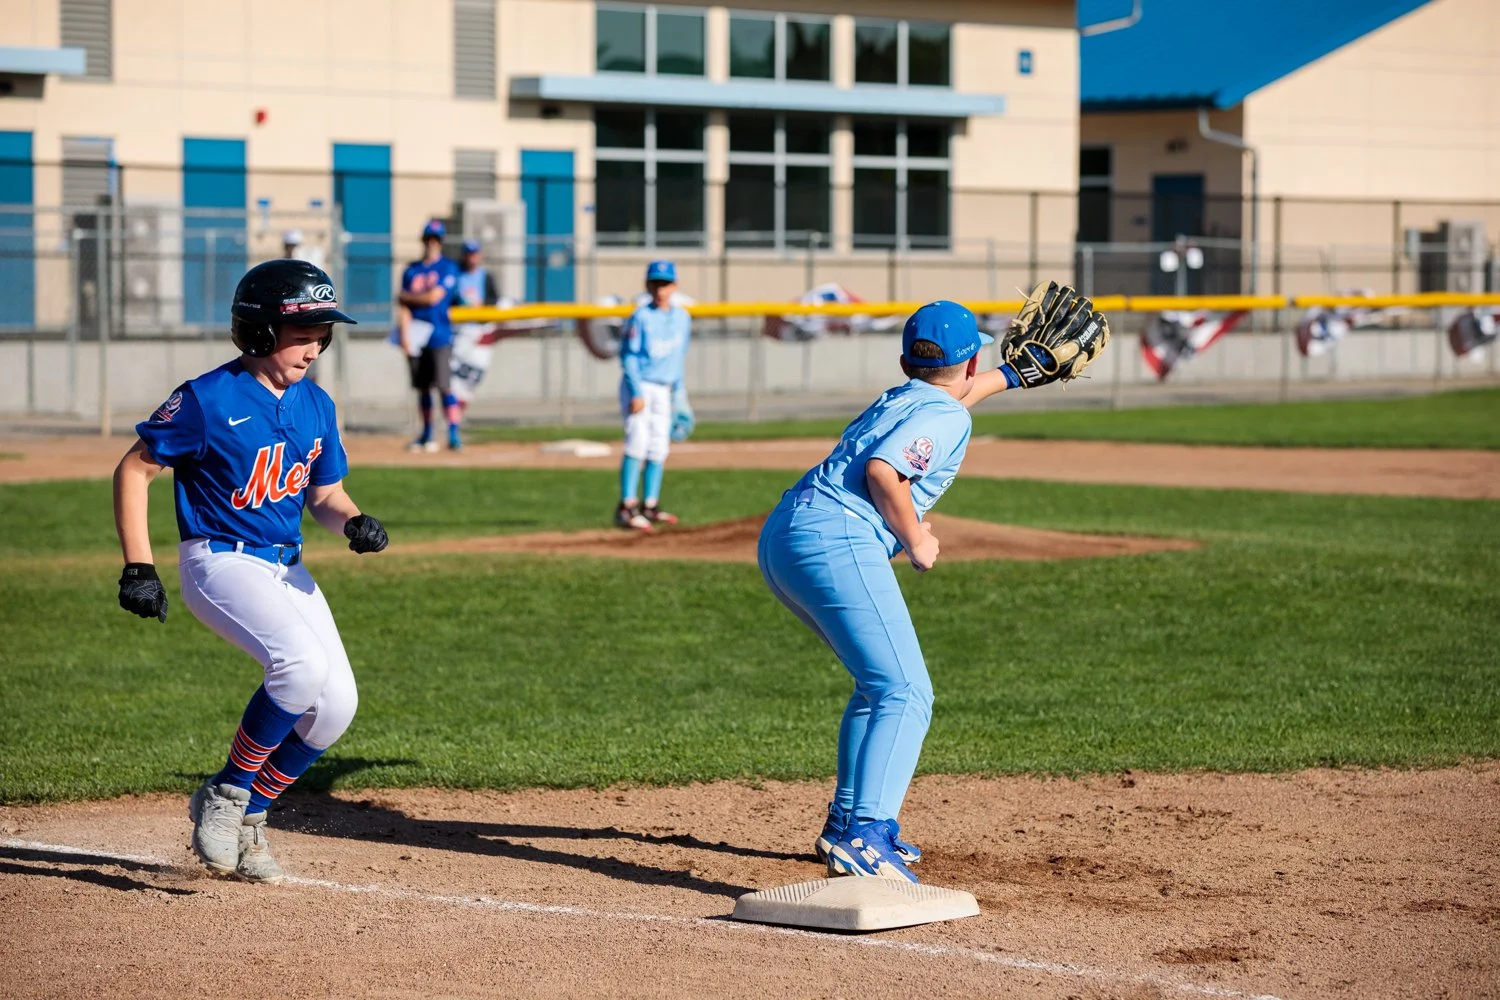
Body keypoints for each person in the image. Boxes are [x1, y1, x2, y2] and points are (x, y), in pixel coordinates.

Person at [757, 296, 1101, 883]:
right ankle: (865, 836)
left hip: (787, 535)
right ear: (972, 361)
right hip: (836, 541)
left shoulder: (902, 398)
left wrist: (1014, 375)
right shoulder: (947, 415)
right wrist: (915, 539)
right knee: (906, 690)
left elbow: (947, 398)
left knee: (877, 686)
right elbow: (885, 471)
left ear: (903, 361)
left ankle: (847, 824)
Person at [112, 258, 389, 883]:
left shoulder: (315, 404)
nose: (316, 345)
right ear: (260, 332)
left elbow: (324, 496)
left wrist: (352, 520)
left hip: (285, 567)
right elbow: (134, 470)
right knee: (299, 668)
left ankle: (252, 816)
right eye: (304, 331)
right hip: (218, 561)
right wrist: (138, 565)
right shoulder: (208, 399)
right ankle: (227, 796)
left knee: (337, 705)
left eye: (323, 333)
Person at [615, 259, 691, 532]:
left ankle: (650, 504)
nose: (660, 289)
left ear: (675, 286)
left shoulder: (683, 318)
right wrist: (635, 392)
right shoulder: (641, 316)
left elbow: (679, 358)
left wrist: (680, 395)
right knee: (637, 442)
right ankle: (627, 506)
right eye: (655, 283)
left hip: (665, 387)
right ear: (647, 286)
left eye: (665, 283)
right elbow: (629, 357)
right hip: (641, 385)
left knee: (659, 446)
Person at [397, 219, 461, 452]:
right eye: (429, 239)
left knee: (444, 386)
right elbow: (402, 306)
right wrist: (404, 334)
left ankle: (453, 433)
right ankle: (427, 433)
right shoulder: (412, 269)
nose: (432, 243)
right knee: (423, 387)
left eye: (436, 240)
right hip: (415, 335)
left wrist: (409, 297)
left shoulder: (447, 267)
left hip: (439, 334)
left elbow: (434, 297)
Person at [448, 240, 502, 416]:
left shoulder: (486, 277)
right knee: (452, 379)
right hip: (458, 332)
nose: (472, 258)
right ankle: (452, 420)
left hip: (480, 333)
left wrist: (482, 305)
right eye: (469, 254)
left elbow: (495, 302)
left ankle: (455, 418)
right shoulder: (455, 275)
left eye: (475, 254)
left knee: (471, 378)